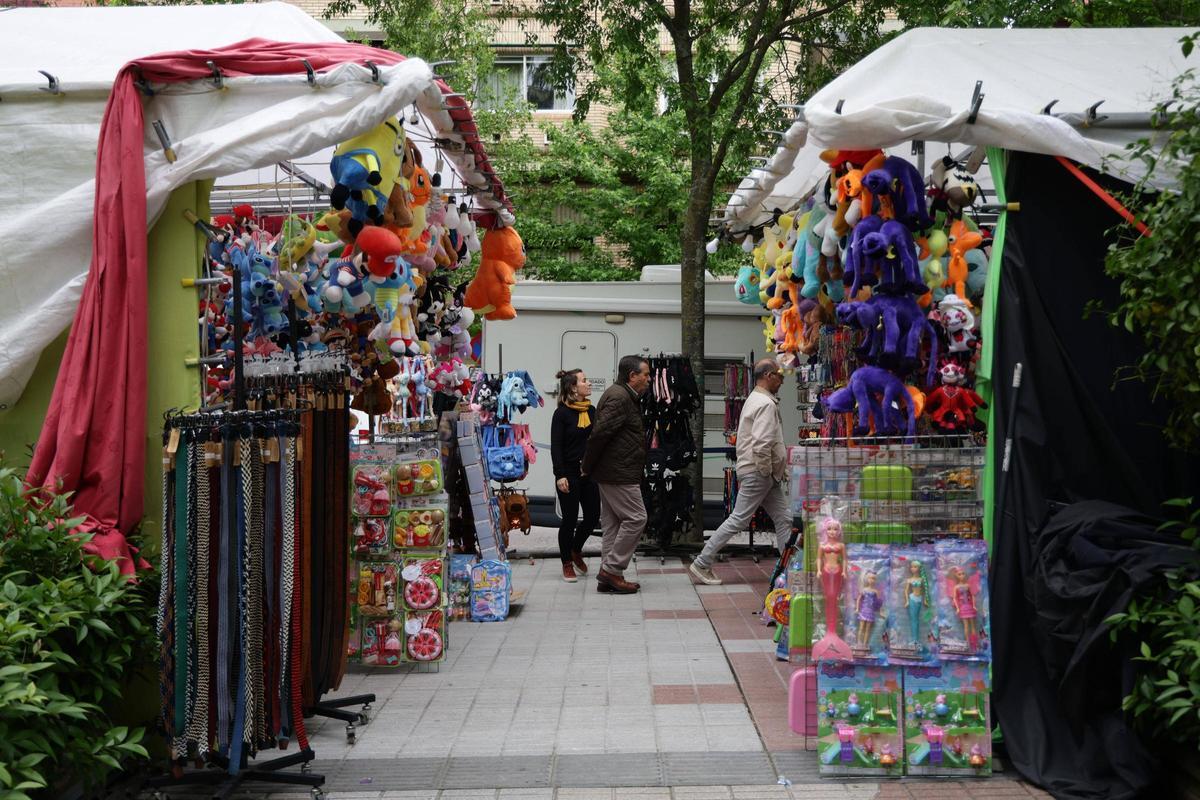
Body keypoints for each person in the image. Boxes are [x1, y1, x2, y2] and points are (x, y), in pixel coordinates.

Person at [689, 358, 792, 585]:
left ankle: (789, 568)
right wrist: (767, 471)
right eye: (780, 376)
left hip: (761, 472)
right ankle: (702, 562)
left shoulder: (754, 399)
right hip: (760, 472)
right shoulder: (765, 404)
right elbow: (762, 443)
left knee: (783, 518)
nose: (782, 381)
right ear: (768, 375)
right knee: (739, 519)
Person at [581, 355, 651, 594]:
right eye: (646, 375)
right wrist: (587, 465)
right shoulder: (620, 397)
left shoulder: (623, 395)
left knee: (612, 524)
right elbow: (599, 434)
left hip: (612, 470)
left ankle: (608, 576)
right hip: (618, 472)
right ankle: (611, 570)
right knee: (637, 518)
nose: (649, 380)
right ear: (632, 376)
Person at [550, 368, 600, 583]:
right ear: (573, 387)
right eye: (584, 381)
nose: (589, 383)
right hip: (568, 474)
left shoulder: (591, 410)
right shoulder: (561, 414)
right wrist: (560, 474)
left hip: (589, 473)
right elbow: (556, 446)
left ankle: (575, 549)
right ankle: (567, 563)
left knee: (592, 517)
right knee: (569, 520)